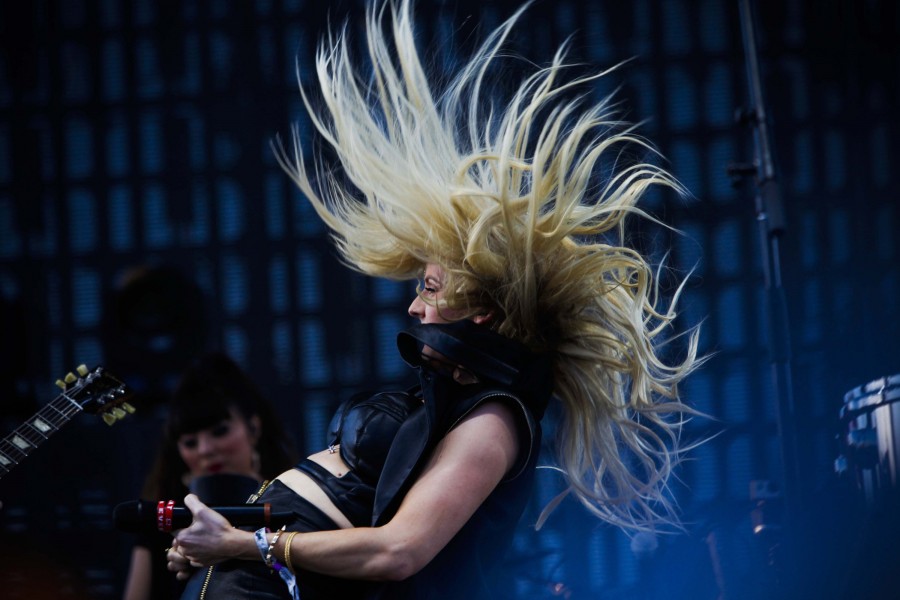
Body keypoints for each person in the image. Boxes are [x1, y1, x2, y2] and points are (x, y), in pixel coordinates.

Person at [166, 1, 703, 598]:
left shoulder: (494, 422)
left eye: (428, 287)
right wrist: (219, 538)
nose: (415, 309)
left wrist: (245, 545)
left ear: (480, 308)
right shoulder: (458, 402)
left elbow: (401, 550)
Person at [122, 352, 297, 600]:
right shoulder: (161, 521)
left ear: (253, 428)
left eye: (220, 431)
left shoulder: (292, 503)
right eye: (190, 442)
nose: (205, 449)